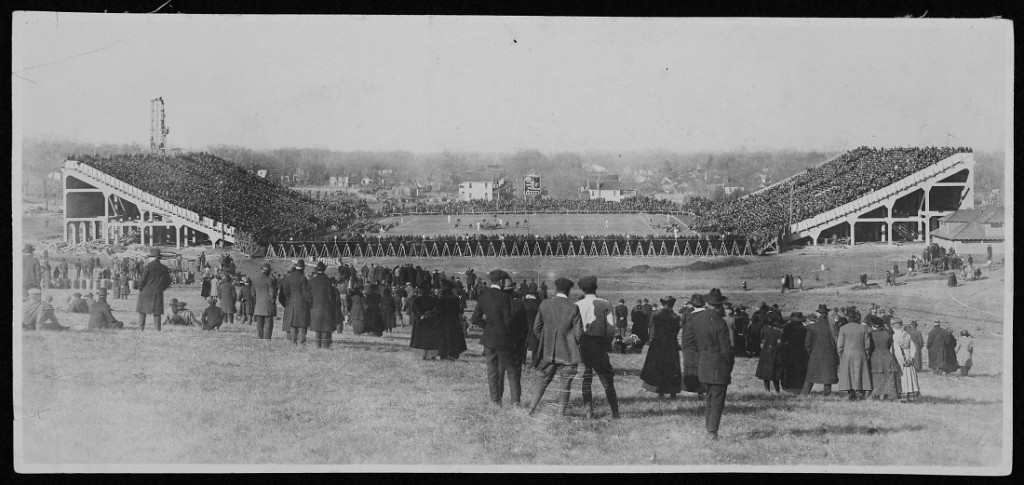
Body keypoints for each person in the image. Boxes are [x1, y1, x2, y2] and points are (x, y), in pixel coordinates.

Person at [528, 277, 583, 416]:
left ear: (555, 289)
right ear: (568, 291)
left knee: (543, 380)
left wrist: (546, 340)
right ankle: (560, 414)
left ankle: (532, 408)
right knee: (565, 384)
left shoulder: (544, 305)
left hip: (548, 351)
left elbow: (537, 328)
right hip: (568, 353)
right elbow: (579, 334)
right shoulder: (573, 307)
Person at [471, 269, 524, 406]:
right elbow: (508, 320)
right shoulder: (505, 298)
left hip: (488, 339)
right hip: (504, 339)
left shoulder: (483, 295)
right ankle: (516, 401)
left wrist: (488, 326)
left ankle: (495, 400)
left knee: (492, 370)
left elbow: (475, 319)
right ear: (501, 282)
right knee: (512, 370)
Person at [688, 288, 735, 440]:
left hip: (703, 363)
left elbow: (689, 342)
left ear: (707, 303)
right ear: (720, 305)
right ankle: (712, 431)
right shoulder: (720, 323)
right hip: (718, 365)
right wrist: (729, 365)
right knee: (717, 399)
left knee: (709, 397)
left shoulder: (696, 319)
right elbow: (726, 349)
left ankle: (709, 427)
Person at [574, 276, 619, 419]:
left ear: (582, 289)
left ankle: (589, 411)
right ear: (596, 287)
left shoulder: (577, 304)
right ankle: (615, 412)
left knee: (586, 379)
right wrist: (607, 343)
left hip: (584, 344)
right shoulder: (606, 303)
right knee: (607, 379)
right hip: (599, 344)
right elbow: (611, 329)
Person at [640, 296, 682, 398]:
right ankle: (673, 391)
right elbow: (676, 330)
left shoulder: (655, 315)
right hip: (671, 344)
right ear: (672, 304)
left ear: (662, 304)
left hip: (657, 344)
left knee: (658, 367)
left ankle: (659, 390)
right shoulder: (676, 317)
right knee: (672, 368)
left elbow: (651, 328)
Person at [801, 305, 839, 397]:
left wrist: (811, 353)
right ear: (827, 314)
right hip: (830, 355)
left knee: (810, 376)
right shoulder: (832, 326)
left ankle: (804, 394)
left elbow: (808, 344)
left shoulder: (812, 327)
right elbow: (836, 341)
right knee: (827, 376)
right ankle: (826, 394)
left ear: (818, 314)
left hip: (815, 354)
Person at [836, 311, 873, 400]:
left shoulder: (843, 328)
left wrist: (840, 354)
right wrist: (867, 353)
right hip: (860, 353)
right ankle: (859, 391)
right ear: (856, 318)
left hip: (847, 353)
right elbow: (867, 344)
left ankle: (851, 392)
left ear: (848, 318)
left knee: (849, 373)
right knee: (860, 372)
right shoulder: (863, 328)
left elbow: (839, 345)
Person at [136, 248, 172, 332]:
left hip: (146, 291)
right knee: (157, 312)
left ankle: (141, 329)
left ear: (152, 257)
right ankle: (157, 329)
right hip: (157, 292)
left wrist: (141, 289)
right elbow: (168, 282)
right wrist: (161, 289)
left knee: (142, 311)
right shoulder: (164, 268)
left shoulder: (148, 267)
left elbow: (141, 281)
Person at [680, 294, 708, 399]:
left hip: (693, 349)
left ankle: (699, 391)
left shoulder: (690, 316)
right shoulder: (709, 315)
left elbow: (686, 337)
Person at [280, 260, 312, 346]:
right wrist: (311, 302)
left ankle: (293, 342)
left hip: (291, 303)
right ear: (303, 268)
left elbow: (286, 292)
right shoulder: (303, 278)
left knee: (293, 324)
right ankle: (301, 342)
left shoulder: (288, 278)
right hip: (302, 304)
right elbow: (306, 294)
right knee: (302, 324)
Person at [868, 319, 902, 401]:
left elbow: (869, 346)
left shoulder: (871, 334)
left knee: (876, 377)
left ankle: (877, 395)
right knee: (888, 377)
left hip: (875, 356)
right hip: (887, 356)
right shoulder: (887, 333)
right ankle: (888, 395)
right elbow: (889, 345)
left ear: (874, 325)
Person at [410, 280, 443, 360]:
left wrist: (421, 315)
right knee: (432, 338)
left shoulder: (418, 299)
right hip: (431, 321)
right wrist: (429, 314)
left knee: (421, 338)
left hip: (421, 321)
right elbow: (437, 309)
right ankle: (432, 355)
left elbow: (414, 309)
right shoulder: (434, 299)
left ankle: (423, 356)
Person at [309, 261, 338, 349]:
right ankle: (325, 346)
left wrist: (311, 303)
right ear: (324, 269)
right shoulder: (327, 280)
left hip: (315, 306)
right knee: (326, 327)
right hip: (326, 306)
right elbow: (330, 294)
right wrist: (332, 304)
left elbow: (308, 294)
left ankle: (318, 345)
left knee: (318, 327)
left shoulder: (312, 280)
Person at [754, 310, 786, 393]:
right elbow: (780, 344)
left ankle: (767, 390)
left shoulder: (764, 329)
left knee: (765, 373)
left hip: (765, 352)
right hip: (775, 353)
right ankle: (777, 390)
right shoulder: (778, 331)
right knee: (776, 374)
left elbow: (761, 341)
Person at [437, 279, 468, 360]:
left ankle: (442, 354)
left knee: (443, 338)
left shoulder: (440, 300)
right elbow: (459, 310)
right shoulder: (455, 299)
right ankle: (452, 354)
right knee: (453, 338)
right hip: (453, 321)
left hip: (442, 321)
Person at [780, 312, 810, 393]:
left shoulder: (788, 327)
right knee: (800, 370)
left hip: (789, 351)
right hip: (801, 352)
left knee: (790, 369)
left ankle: (788, 387)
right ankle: (799, 387)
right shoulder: (804, 328)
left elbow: (783, 339)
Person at [891, 319, 920, 402]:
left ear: (893, 326)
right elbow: (913, 347)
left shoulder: (894, 336)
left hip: (900, 358)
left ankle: (903, 395)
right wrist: (911, 357)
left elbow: (897, 351)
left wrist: (902, 361)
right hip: (908, 356)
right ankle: (912, 395)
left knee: (902, 377)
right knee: (910, 376)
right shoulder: (907, 334)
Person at [252, 263, 278, 340]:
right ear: (269, 271)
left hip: (259, 304)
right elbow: (272, 293)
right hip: (268, 304)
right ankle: (267, 337)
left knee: (259, 322)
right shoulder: (270, 281)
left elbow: (253, 294)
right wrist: (273, 301)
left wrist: (257, 301)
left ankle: (260, 337)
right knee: (268, 322)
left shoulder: (255, 280)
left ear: (261, 271)